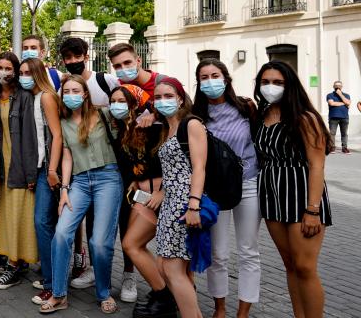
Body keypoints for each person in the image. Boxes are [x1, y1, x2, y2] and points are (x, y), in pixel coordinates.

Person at [254, 61, 332, 318]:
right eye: (265, 82)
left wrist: (313, 210)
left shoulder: (305, 118)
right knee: (290, 266)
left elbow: (317, 165)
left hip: (302, 196)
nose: (270, 87)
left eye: (278, 82)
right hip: (273, 196)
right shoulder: (261, 116)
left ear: (290, 86)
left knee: (305, 267)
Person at [40, 75, 122, 315]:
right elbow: (67, 156)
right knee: (62, 233)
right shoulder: (63, 122)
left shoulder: (104, 115)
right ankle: (58, 294)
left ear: (85, 93)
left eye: (76, 90)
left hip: (108, 178)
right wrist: (64, 189)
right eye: (67, 91)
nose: (71, 95)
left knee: (99, 242)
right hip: (80, 181)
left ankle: (104, 292)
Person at [193, 59, 261, 318]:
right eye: (204, 77)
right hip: (215, 189)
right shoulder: (197, 115)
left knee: (248, 251)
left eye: (215, 75)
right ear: (198, 83)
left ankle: (243, 312)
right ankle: (219, 308)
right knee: (218, 253)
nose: (210, 81)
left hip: (249, 184)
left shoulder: (246, 108)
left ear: (226, 78)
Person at [109, 85, 177, 317]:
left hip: (161, 195)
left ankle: (166, 296)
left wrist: (163, 191)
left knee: (140, 247)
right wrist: (133, 181)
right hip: (143, 196)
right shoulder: (123, 130)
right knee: (134, 245)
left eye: (122, 101)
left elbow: (171, 160)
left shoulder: (152, 126)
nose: (116, 105)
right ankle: (164, 296)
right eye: (113, 100)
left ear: (134, 104)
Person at [150, 77, 206, 318]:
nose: (163, 101)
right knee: (164, 265)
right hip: (169, 203)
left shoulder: (191, 124)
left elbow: (199, 167)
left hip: (184, 201)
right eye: (158, 97)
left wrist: (193, 205)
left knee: (173, 268)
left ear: (181, 98)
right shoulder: (166, 127)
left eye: (168, 96)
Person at [17, 58, 63, 306]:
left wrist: (52, 170)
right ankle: (53, 277)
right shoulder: (34, 97)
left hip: (50, 169)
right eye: (21, 73)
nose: (24, 76)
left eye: (28, 72)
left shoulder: (45, 96)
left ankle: (51, 284)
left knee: (42, 223)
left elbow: (56, 136)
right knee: (48, 225)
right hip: (41, 168)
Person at [0, 52, 38, 290]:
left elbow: (30, 137)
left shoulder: (25, 97)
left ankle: (14, 265)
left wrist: (31, 174)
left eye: (9, 68)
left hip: (19, 165)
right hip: (0, 166)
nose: (4, 72)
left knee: (20, 216)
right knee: (6, 216)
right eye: (0, 67)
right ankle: (12, 259)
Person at [59, 37, 120, 107]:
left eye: (77, 56)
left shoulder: (106, 80)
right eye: (68, 58)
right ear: (63, 61)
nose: (73, 61)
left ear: (86, 58)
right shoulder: (63, 87)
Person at [326, 81, 351, 153]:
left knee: (344, 133)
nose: (338, 87)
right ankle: (332, 147)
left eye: (339, 85)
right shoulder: (329, 95)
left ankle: (344, 148)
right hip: (333, 117)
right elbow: (332, 103)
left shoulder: (346, 95)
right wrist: (344, 103)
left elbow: (348, 103)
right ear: (333, 86)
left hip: (344, 117)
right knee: (332, 133)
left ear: (342, 87)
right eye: (336, 85)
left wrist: (340, 94)